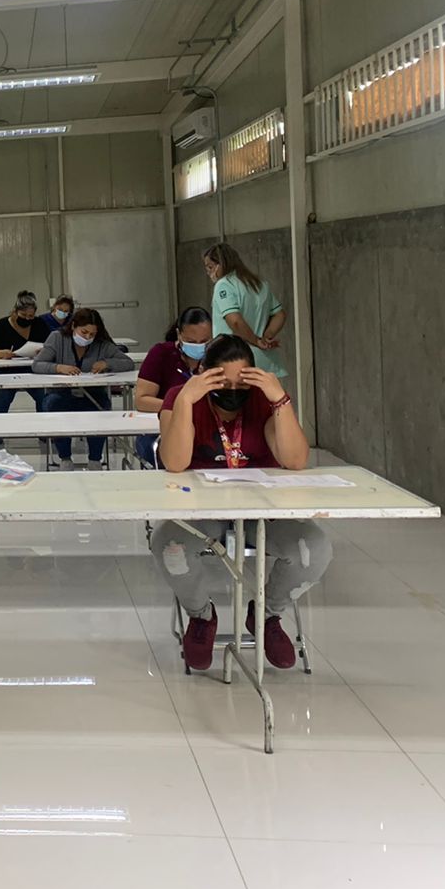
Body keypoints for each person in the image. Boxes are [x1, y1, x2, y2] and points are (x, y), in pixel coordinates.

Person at [150, 333, 328, 672]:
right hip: (202, 508)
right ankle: (201, 616)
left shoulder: (263, 401)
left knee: (314, 549)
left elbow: (295, 460)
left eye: (241, 384)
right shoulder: (181, 397)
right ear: (204, 375)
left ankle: (266, 615)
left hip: (263, 507)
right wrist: (186, 401)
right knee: (167, 545)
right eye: (223, 383)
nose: (233, 392)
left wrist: (280, 399)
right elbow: (174, 462)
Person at [32, 307, 134, 468]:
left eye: (92, 334)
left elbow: (128, 363)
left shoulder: (102, 344)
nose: (87, 337)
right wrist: (58, 367)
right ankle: (65, 458)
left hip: (93, 394)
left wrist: (107, 363)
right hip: (61, 393)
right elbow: (37, 364)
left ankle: (95, 459)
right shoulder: (57, 338)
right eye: (84, 332)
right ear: (73, 326)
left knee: (101, 409)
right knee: (53, 406)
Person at [132, 307, 214, 465]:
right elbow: (142, 400)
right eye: (191, 342)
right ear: (179, 334)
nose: (198, 346)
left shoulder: (216, 357)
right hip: (162, 428)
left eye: (204, 341)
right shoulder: (161, 354)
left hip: (207, 429)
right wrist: (181, 407)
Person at [203, 243, 288, 379]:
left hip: (235, 360)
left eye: (210, 267)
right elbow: (280, 314)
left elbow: (235, 321)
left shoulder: (224, 285)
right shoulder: (258, 283)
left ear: (221, 264)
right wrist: (266, 336)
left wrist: (255, 340)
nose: (208, 273)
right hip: (265, 361)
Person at [0, 290, 52, 444]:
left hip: (33, 370)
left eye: (30, 316)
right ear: (15, 311)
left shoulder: (39, 324)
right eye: (23, 315)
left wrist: (43, 351)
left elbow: (51, 346)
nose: (27, 319)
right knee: (0, 398)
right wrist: (2, 353)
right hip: (4, 371)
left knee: (45, 396)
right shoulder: (0, 325)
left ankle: (45, 431)